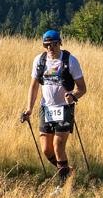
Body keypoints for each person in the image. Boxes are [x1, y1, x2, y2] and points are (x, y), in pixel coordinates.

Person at [19, 28, 86, 184]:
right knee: (46, 149)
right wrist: (29, 108)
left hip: (64, 108)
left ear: (60, 43)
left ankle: (62, 185)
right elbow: (34, 87)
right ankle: (66, 172)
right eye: (46, 45)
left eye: (53, 44)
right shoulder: (39, 61)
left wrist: (74, 96)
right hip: (46, 109)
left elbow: (82, 88)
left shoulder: (70, 61)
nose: (49, 48)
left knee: (58, 145)